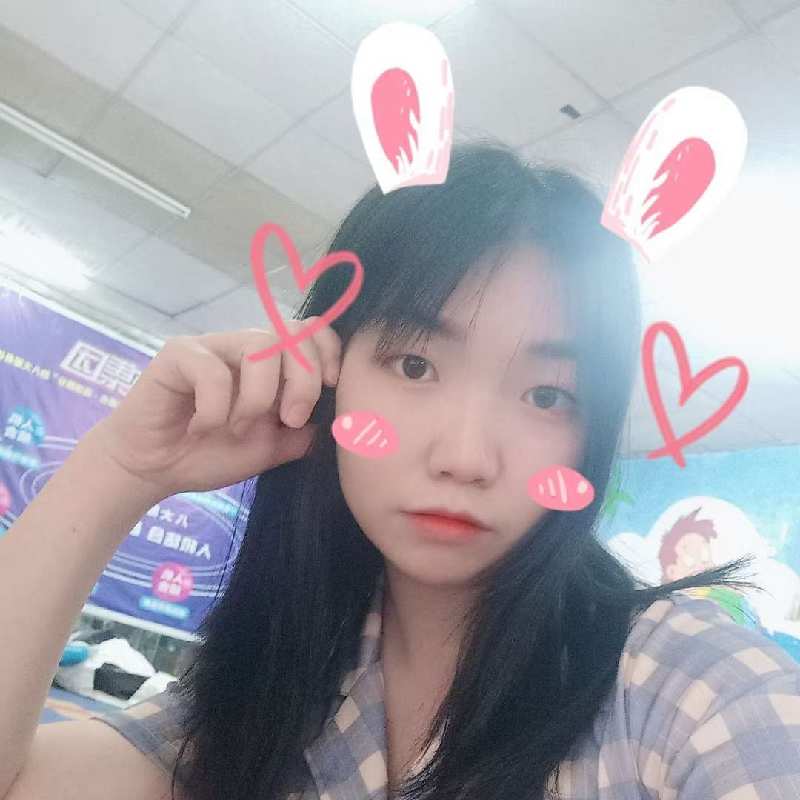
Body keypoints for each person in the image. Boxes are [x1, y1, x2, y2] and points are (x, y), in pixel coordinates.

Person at [1, 143, 798, 800]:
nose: (466, 457)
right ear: (326, 368)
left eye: (547, 394)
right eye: (415, 365)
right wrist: (120, 468)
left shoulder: (686, 692)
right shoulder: (281, 690)